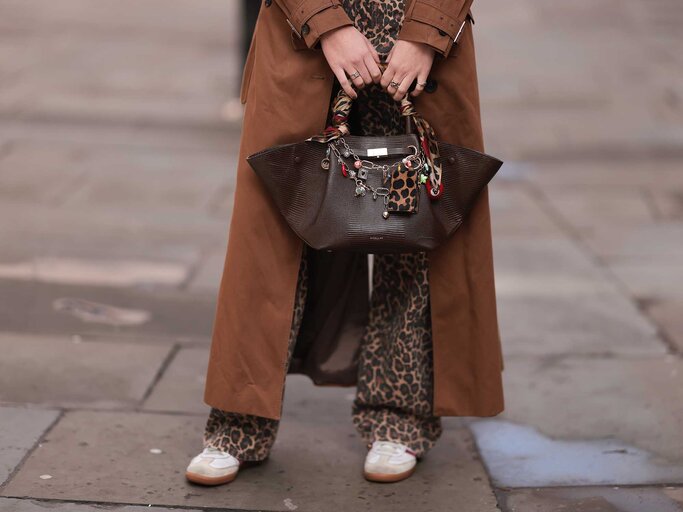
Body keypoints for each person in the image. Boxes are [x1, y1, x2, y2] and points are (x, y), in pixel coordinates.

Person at [186, 0, 504, 485]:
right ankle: (238, 424)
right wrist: (327, 23)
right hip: (302, 29)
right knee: (273, 231)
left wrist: (426, 32)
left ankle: (400, 417)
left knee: (418, 225)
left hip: (421, 38)